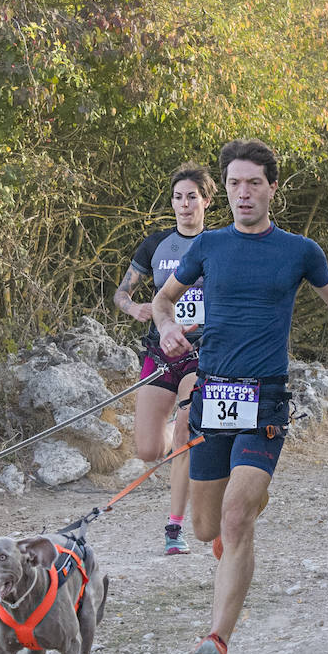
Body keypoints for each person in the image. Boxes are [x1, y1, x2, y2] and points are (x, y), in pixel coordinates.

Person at [152, 139, 328, 654]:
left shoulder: (299, 250)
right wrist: (166, 326)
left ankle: (216, 642)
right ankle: (242, 516)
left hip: (266, 399)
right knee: (209, 525)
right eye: (233, 183)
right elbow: (164, 300)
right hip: (212, 395)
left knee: (235, 518)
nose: (242, 193)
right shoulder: (208, 245)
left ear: (271, 188)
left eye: (252, 183)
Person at [113, 163, 215, 555]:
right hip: (159, 350)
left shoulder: (220, 243)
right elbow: (122, 292)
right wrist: (133, 308)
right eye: (178, 197)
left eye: (192, 196)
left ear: (206, 200)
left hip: (202, 350)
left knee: (188, 429)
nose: (184, 204)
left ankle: (174, 527)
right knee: (148, 451)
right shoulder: (155, 245)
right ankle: (175, 431)